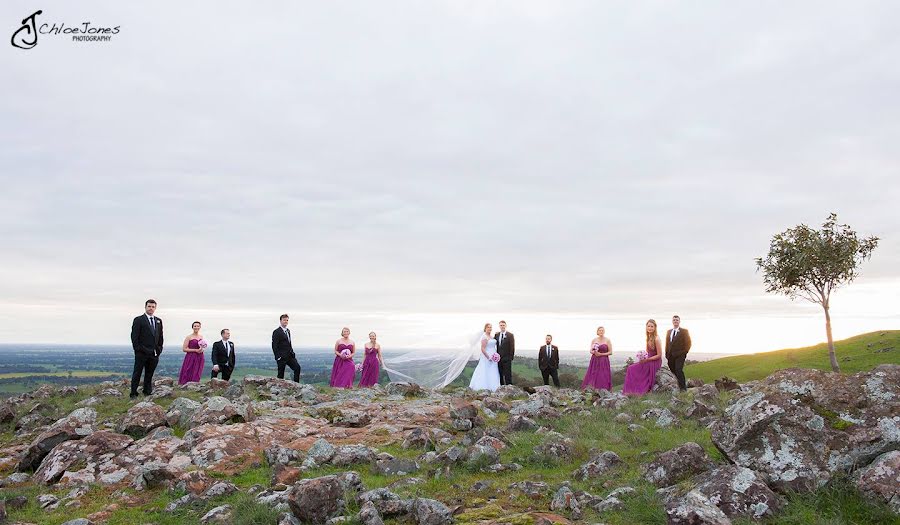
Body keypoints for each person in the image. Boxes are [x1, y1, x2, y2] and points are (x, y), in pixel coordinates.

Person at [130, 299, 163, 398]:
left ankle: (147, 391)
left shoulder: (158, 321)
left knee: (149, 374)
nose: (151, 308)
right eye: (149, 306)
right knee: (137, 373)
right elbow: (134, 336)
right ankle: (133, 393)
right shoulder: (139, 320)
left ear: (155, 308)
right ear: (145, 307)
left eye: (153, 307)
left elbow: (160, 336)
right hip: (141, 352)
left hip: (154, 353)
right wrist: (138, 349)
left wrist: (159, 349)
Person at [622, 319, 663, 395]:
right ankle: (630, 391)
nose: (650, 328)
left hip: (655, 361)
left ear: (655, 328)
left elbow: (659, 355)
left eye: (652, 326)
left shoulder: (657, 339)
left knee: (632, 369)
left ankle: (638, 390)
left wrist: (647, 360)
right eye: (648, 326)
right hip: (648, 359)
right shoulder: (648, 337)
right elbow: (647, 352)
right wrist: (642, 357)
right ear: (646, 327)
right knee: (630, 368)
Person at [470, 323, 500, 391]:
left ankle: (494, 387)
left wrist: (495, 355)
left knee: (493, 371)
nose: (490, 328)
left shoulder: (492, 337)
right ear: (485, 328)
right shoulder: (484, 337)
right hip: (487, 356)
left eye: (490, 327)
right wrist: (488, 357)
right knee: (485, 370)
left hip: (493, 356)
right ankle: (483, 387)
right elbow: (482, 349)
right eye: (488, 327)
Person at [665, 315, 692, 391]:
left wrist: (684, 352)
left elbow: (688, 343)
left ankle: (683, 389)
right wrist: (667, 354)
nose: (675, 321)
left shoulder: (684, 331)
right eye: (674, 320)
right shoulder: (669, 331)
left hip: (680, 355)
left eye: (677, 320)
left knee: (678, 370)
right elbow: (667, 343)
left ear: (679, 321)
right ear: (672, 321)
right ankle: (677, 385)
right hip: (670, 356)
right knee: (673, 371)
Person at [581, 326, 612, 391]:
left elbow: (610, 352)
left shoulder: (607, 340)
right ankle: (593, 389)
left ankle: (603, 389)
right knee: (593, 374)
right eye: (600, 330)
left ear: (604, 331)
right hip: (595, 360)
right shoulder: (594, 340)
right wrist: (594, 352)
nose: (601, 331)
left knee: (603, 375)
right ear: (597, 332)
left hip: (604, 360)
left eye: (602, 330)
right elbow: (590, 350)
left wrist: (601, 354)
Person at [272, 314, 301, 382]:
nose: (286, 321)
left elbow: (289, 343)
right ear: (280, 321)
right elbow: (274, 345)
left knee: (297, 368)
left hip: (290, 356)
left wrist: (292, 352)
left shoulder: (288, 331)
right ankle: (279, 389)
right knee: (280, 375)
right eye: (284, 320)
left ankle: (296, 385)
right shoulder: (276, 332)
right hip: (281, 357)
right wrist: (278, 357)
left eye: (287, 320)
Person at [494, 320, 515, 385]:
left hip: (507, 358)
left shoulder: (510, 335)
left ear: (505, 326)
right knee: (499, 373)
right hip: (498, 358)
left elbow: (512, 347)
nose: (502, 326)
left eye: (503, 325)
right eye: (501, 325)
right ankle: (501, 387)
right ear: (499, 326)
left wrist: (510, 357)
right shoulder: (496, 335)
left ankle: (509, 387)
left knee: (507, 374)